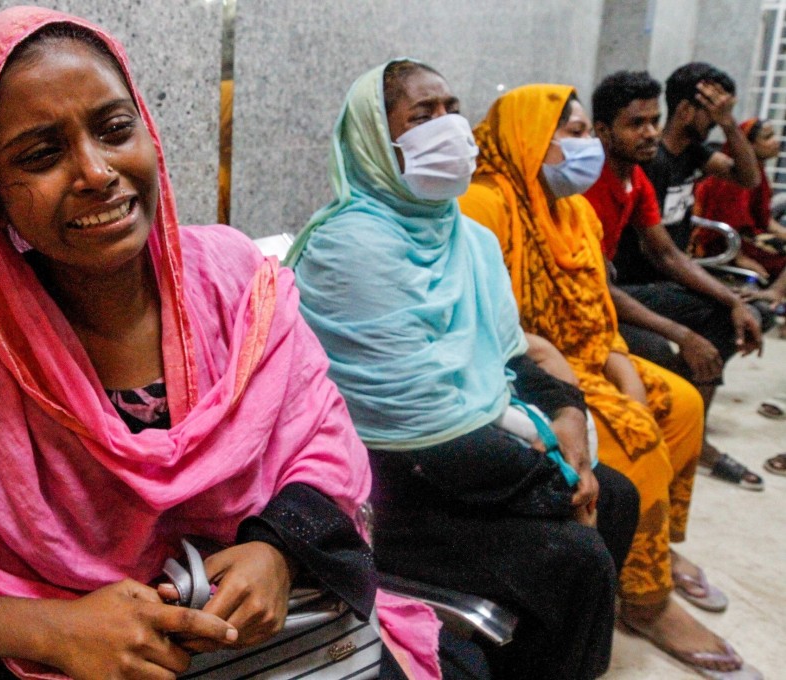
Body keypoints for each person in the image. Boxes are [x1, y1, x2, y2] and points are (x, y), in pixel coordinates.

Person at [0, 9, 440, 680]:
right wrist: (53, 629)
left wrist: (279, 552)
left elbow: (324, 444)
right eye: (41, 154)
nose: (94, 172)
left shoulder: (237, 286)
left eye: (115, 129)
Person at [287, 59, 641, 680]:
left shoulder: (464, 236)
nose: (449, 126)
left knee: (615, 496)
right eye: (422, 115)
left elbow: (510, 358)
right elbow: (416, 425)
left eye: (452, 108)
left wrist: (570, 422)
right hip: (392, 489)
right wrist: (555, 478)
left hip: (470, 460)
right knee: (576, 558)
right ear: (377, 140)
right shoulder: (349, 248)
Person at [458, 84, 763, 678]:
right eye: (571, 134)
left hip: (590, 350)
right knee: (638, 438)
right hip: (529, 370)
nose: (586, 146)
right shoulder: (484, 206)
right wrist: (591, 386)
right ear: (530, 139)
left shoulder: (572, 208)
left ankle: (652, 552)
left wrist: (621, 364)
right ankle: (647, 602)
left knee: (678, 402)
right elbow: (499, 335)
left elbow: (597, 307)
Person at [586, 69, 766, 491]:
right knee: (661, 360)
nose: (650, 132)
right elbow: (596, 285)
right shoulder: (590, 180)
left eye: (653, 120)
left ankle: (689, 440)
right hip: (607, 295)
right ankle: (663, 449)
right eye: (637, 124)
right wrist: (682, 334)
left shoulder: (637, 177)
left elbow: (666, 252)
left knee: (726, 315)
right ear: (602, 131)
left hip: (630, 289)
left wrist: (733, 300)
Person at [695, 118, 786, 303]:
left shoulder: (758, 174)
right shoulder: (732, 176)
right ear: (749, 145)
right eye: (767, 137)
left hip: (746, 237)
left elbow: (764, 219)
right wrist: (740, 258)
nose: (776, 141)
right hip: (724, 243)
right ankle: (776, 294)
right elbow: (722, 220)